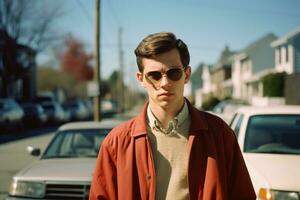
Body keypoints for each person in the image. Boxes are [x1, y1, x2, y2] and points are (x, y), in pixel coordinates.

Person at [89, 32, 256, 200]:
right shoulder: (116, 143)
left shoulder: (220, 134)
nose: (165, 83)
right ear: (141, 79)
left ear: (187, 75)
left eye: (173, 73)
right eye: (154, 75)